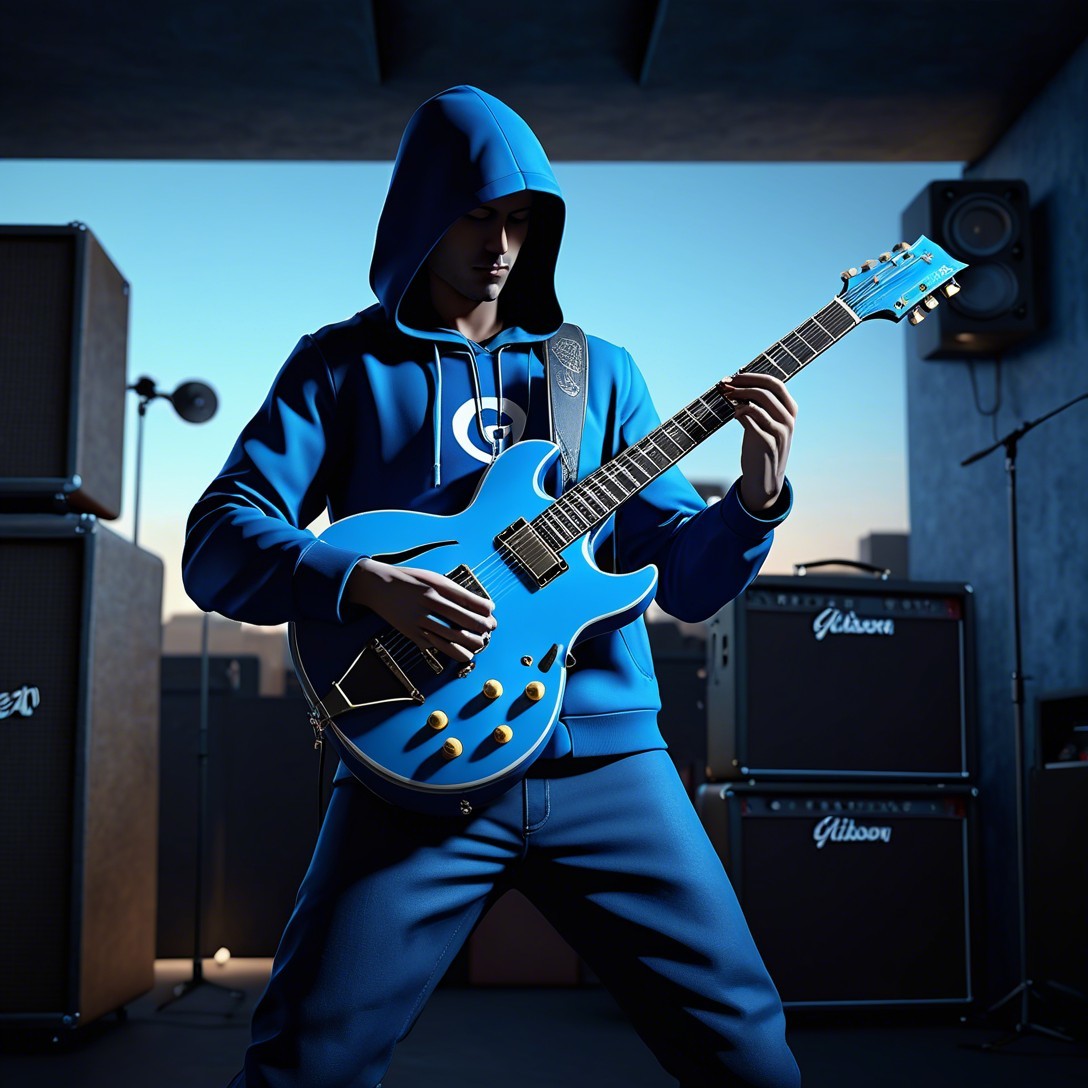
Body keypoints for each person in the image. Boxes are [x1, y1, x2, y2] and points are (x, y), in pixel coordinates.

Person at [183, 85, 801, 1088]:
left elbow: (684, 583)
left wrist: (755, 500)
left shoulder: (598, 372)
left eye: (521, 221)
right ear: (421, 212)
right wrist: (364, 583)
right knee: (304, 1064)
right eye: (477, 215)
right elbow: (217, 540)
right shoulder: (341, 366)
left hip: (607, 762)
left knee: (751, 1057)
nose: (501, 246)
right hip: (415, 761)